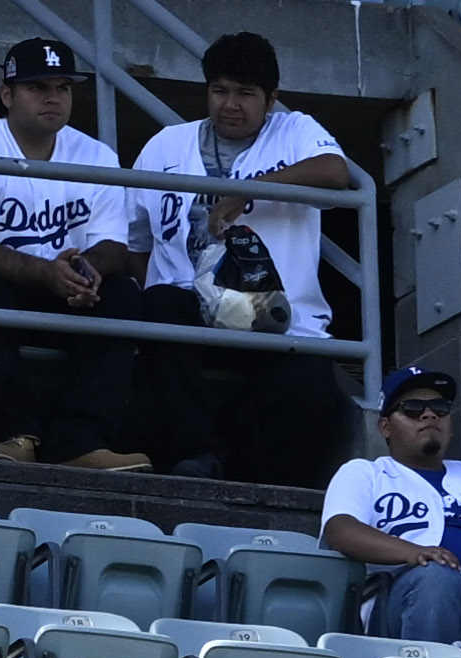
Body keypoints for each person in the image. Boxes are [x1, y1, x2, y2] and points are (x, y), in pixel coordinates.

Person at [0, 35, 172, 466]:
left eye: (62, 88)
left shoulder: (95, 154)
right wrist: (45, 271)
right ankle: (11, 437)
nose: (53, 98)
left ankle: (81, 443)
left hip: (60, 293)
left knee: (122, 291)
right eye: (38, 87)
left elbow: (113, 245)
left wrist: (86, 271)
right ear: (7, 94)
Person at [130, 30, 351, 481]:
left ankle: (256, 481)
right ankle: (194, 457)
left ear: (271, 99)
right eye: (220, 91)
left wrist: (245, 192)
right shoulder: (167, 144)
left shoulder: (295, 130)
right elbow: (136, 241)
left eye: (245, 94)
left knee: (308, 383)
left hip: (278, 316)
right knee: (158, 306)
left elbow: (336, 172)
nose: (230, 104)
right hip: (190, 306)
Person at [318, 364, 461, 648]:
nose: (429, 415)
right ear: (386, 427)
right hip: (410, 593)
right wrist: (413, 552)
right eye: (413, 408)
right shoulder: (364, 473)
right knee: (438, 580)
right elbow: (341, 530)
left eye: (439, 408)